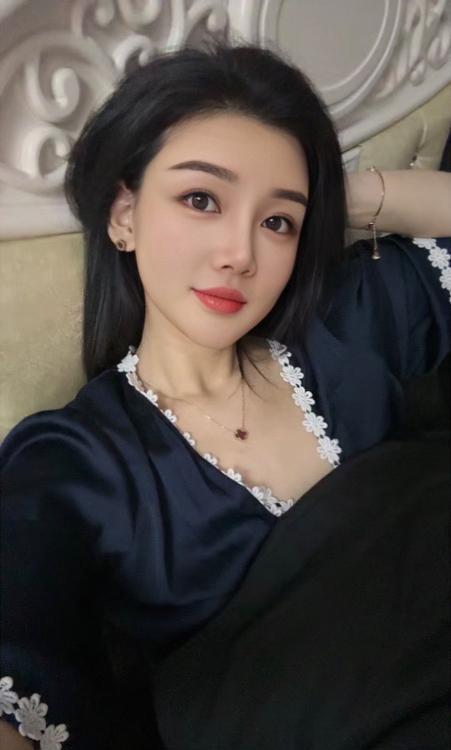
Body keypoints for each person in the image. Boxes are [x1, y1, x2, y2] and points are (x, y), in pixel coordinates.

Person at [1, 39, 450, 750]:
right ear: (123, 214)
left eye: (276, 222)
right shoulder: (75, 463)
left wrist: (338, 199)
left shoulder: (346, 326)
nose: (240, 254)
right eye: (201, 199)